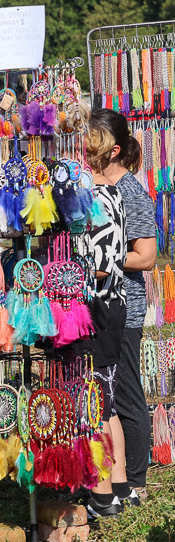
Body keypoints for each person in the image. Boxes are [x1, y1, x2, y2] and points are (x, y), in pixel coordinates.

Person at [96, 109, 155, 508]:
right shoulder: (95, 188)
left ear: (113, 149)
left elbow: (147, 256)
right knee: (108, 395)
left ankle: (135, 481)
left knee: (127, 395)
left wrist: (107, 260)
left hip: (127, 307)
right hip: (104, 305)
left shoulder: (132, 193)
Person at [82, 110, 130, 519]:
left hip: (97, 307)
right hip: (112, 305)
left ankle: (99, 494)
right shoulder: (113, 191)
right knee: (106, 401)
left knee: (92, 402)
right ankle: (117, 487)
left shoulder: (92, 200)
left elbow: (98, 262)